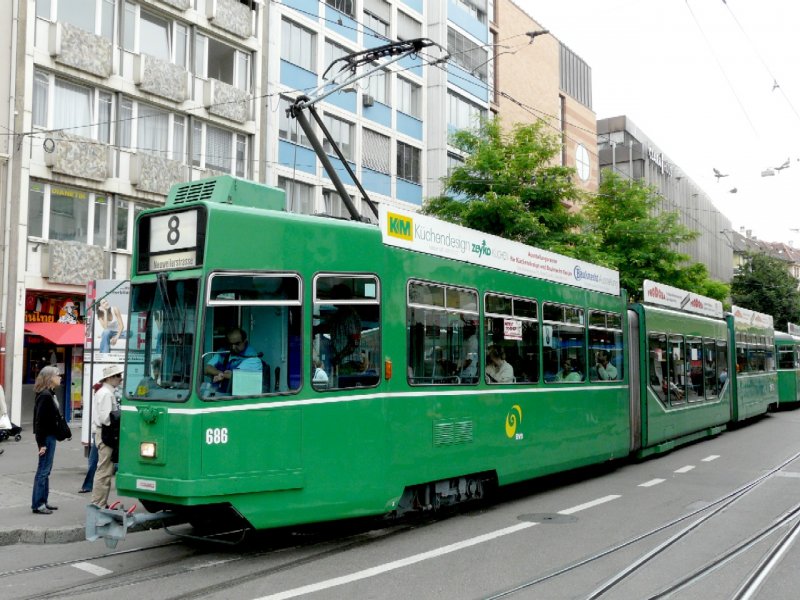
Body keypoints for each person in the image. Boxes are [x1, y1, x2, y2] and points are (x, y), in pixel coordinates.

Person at [31, 366, 64, 514]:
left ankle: (43, 501)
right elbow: (39, 422)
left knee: (46, 470)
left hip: (50, 436)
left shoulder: (49, 393)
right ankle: (38, 504)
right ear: (50, 377)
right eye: (58, 375)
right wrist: (41, 444)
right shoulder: (45, 395)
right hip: (46, 438)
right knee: (43, 471)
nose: (60, 377)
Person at [91, 364, 123, 509]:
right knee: (104, 470)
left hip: (103, 432)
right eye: (117, 376)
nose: (120, 379)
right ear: (109, 378)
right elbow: (106, 418)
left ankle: (101, 502)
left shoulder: (105, 392)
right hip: (105, 432)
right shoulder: (106, 393)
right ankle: (98, 503)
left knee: (105, 469)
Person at [204, 327, 262, 393]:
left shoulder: (253, 359)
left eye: (237, 344)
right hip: (219, 393)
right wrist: (221, 374)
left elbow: (238, 376)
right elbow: (207, 369)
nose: (233, 347)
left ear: (245, 341)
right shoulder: (225, 352)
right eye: (231, 344)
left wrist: (222, 375)